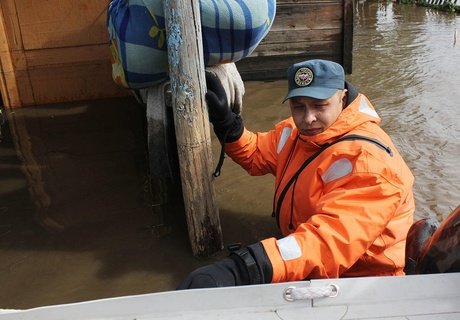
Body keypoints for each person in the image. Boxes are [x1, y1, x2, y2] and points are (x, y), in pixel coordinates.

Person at [177, 59, 416, 289]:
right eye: (298, 106)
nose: (308, 118)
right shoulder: (294, 132)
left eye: (320, 105)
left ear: (342, 99)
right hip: (302, 252)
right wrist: (227, 123)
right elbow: (256, 154)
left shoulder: (369, 163)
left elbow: (327, 244)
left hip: (359, 279)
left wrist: (244, 266)